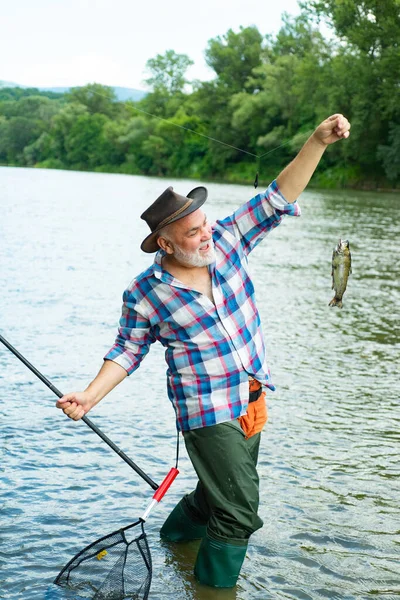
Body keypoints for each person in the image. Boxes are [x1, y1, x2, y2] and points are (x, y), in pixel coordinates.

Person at [56, 114, 350, 588]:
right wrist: (89, 397)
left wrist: (318, 141)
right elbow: (127, 352)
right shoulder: (145, 292)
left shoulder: (229, 241)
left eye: (204, 224)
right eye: (193, 233)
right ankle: (214, 591)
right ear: (165, 243)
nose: (206, 233)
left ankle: (174, 538)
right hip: (206, 411)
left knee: (218, 498)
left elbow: (279, 196)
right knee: (238, 513)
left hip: (252, 395)